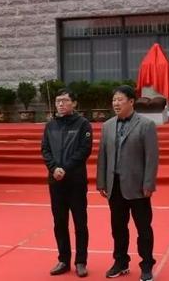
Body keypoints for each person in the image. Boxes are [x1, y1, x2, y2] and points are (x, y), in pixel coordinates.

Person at [96, 85, 159, 281]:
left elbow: (152, 157)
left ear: (131, 102)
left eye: (120, 99)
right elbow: (102, 156)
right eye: (114, 100)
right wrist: (101, 182)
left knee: (143, 229)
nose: (116, 103)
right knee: (118, 228)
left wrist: (149, 184)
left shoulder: (146, 125)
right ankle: (121, 262)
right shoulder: (107, 126)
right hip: (114, 186)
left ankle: (146, 265)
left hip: (138, 187)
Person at [41, 88, 93, 277]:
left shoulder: (83, 125)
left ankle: (81, 261)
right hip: (55, 182)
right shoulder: (50, 126)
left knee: (80, 223)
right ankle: (63, 259)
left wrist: (66, 168)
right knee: (59, 222)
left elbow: (84, 150)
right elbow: (45, 150)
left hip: (76, 181)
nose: (60, 104)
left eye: (64, 100)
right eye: (57, 101)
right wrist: (54, 168)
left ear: (74, 103)